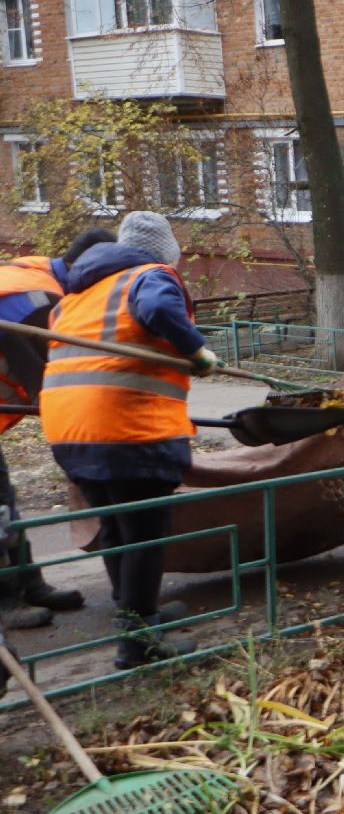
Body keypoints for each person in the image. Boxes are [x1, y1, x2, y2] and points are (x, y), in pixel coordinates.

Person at [40, 213, 218, 669]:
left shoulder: (77, 295)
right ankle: (139, 644)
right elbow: (159, 311)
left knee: (117, 530)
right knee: (142, 534)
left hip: (68, 431)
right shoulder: (149, 275)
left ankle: (138, 615)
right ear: (164, 253)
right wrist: (196, 352)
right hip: (127, 428)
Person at [0, 238, 109, 631]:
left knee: (5, 504)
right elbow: (51, 388)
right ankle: (6, 604)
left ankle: (28, 585)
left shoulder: (36, 272)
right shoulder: (36, 301)